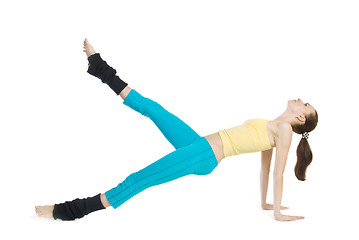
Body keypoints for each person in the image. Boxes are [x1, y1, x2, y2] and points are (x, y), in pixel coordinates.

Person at [35, 38, 318, 222]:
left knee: (137, 180)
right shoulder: (272, 125)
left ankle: (70, 211)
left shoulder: (283, 132)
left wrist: (278, 211)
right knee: (153, 108)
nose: (299, 100)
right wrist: (265, 202)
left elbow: (279, 173)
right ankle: (99, 68)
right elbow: (265, 171)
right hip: (197, 144)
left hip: (203, 156)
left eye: (304, 104)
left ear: (302, 118)